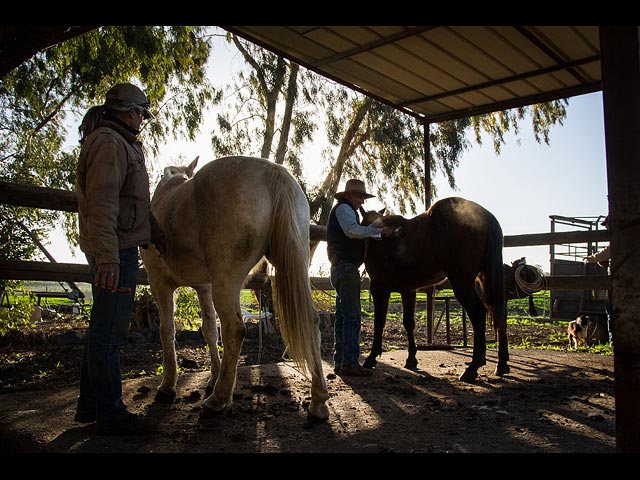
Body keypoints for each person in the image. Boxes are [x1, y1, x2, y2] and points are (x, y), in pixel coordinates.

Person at [74, 83, 157, 435]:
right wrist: (108, 258)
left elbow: (132, 204)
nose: (142, 120)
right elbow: (103, 205)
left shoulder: (118, 142)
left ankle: (91, 405)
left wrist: (156, 233)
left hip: (119, 248)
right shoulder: (110, 144)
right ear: (129, 111)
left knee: (101, 330)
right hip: (115, 252)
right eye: (141, 113)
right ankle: (111, 415)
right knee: (110, 334)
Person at [327, 179, 393, 377]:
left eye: (363, 197)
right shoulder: (344, 210)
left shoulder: (345, 209)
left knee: (342, 316)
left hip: (341, 267)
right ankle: (349, 362)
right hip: (346, 268)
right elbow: (351, 230)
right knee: (352, 316)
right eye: (359, 196)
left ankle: (340, 362)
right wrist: (378, 232)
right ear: (349, 195)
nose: (362, 202)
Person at [584, 215, 614, 346]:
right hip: (615, 278)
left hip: (615, 280)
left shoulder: (618, 238)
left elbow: (606, 252)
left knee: (611, 310)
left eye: (608, 225)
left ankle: (614, 341)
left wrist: (588, 259)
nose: (607, 228)